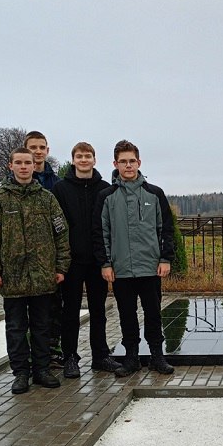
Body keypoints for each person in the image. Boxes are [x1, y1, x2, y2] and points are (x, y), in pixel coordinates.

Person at [0, 147, 70, 395]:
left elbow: (61, 235)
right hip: (13, 278)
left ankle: (42, 369)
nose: (23, 167)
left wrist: (61, 267)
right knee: (16, 328)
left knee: (42, 326)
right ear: (11, 166)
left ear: (34, 165)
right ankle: (21, 372)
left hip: (43, 277)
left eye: (27, 162)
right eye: (18, 162)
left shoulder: (47, 199)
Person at [94, 139, 175, 376]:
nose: (128, 165)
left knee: (153, 313)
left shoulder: (154, 193)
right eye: (123, 161)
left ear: (139, 162)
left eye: (132, 161)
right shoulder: (107, 196)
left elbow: (165, 228)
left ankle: (157, 357)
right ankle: (131, 358)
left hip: (150, 268)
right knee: (127, 315)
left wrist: (165, 258)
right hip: (121, 269)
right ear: (115, 164)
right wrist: (105, 263)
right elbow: (101, 232)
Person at [51, 142, 122, 379]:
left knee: (98, 310)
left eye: (88, 156)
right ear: (73, 160)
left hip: (96, 259)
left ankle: (100, 355)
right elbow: (57, 225)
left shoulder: (104, 188)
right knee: (70, 311)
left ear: (94, 159)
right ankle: (70, 356)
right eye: (79, 156)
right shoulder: (60, 189)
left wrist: (107, 258)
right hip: (71, 261)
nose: (83, 160)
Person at [24, 130, 63, 366]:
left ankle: (52, 350)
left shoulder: (56, 184)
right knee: (27, 312)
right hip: (24, 257)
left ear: (47, 151)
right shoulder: (15, 182)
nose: (38, 152)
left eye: (42, 148)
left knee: (53, 309)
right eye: (33, 147)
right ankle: (32, 355)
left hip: (50, 257)